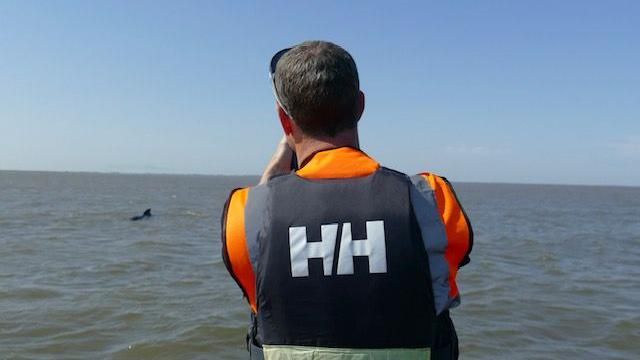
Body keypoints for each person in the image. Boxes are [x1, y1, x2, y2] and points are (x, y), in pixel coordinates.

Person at [221, 40, 473, 360]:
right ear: (360, 106)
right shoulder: (432, 201)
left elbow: (261, 229)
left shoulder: (248, 215)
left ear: (285, 122)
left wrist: (284, 150)